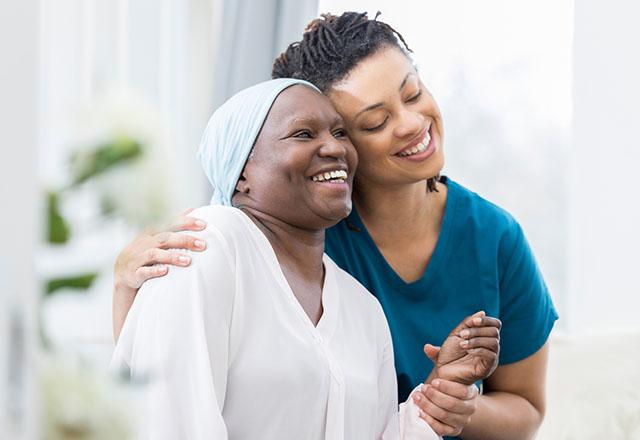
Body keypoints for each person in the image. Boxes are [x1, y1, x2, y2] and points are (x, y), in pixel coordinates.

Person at [113, 12, 558, 440]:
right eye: (375, 122)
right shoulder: (274, 236)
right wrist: (129, 287)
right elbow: (165, 380)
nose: (410, 124)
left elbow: (525, 408)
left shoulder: (482, 244)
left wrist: (454, 401)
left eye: (413, 92)